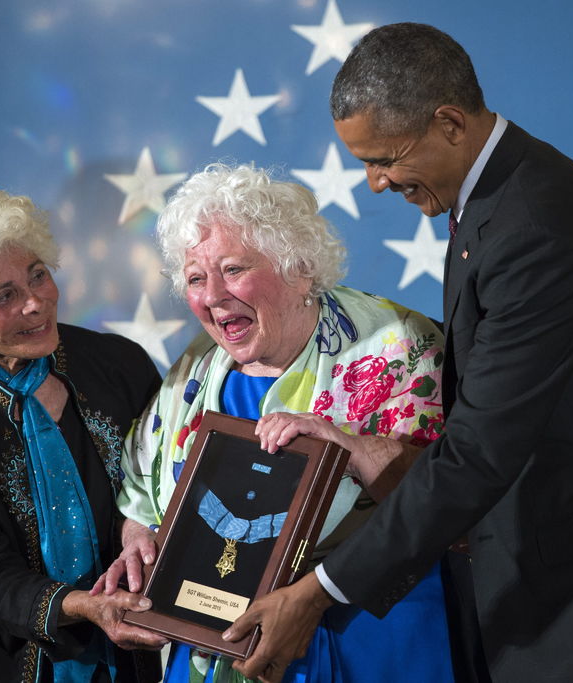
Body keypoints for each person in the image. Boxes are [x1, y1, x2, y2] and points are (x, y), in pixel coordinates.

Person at [224, 22, 573, 683]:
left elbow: (479, 452)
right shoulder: (494, 199)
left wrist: (317, 592)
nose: (375, 183)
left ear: (450, 123)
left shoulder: (536, 227)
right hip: (564, 576)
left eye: (385, 159)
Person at [100, 163, 459, 682]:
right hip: (214, 637)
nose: (212, 296)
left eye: (233, 269)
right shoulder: (197, 366)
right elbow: (141, 487)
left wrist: (348, 448)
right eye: (196, 278)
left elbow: (454, 494)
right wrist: (139, 540)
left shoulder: (400, 346)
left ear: (300, 268)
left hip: (365, 629)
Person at [0, 182, 169, 683]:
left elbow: (165, 486)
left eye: (37, 275)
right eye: (5, 296)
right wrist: (83, 605)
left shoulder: (120, 365)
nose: (36, 302)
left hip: (128, 652)